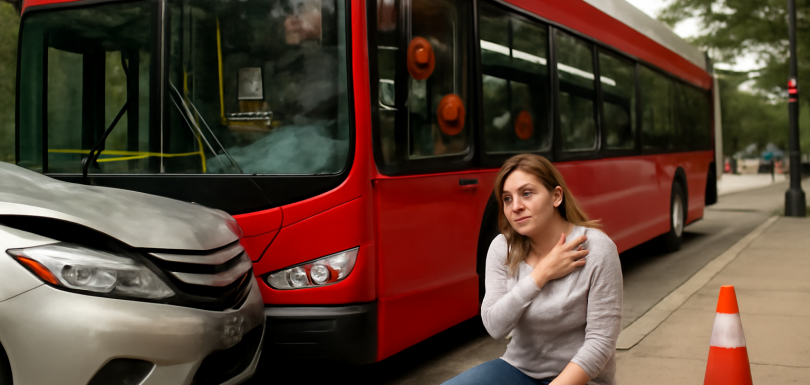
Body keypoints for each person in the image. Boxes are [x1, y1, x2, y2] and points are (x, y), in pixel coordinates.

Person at [443, 154, 622, 385]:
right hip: (519, 370)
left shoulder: (597, 248)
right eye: (507, 199)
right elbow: (494, 326)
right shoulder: (501, 248)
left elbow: (600, 342)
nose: (516, 206)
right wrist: (540, 275)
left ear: (556, 196)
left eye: (527, 193)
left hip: (582, 379)